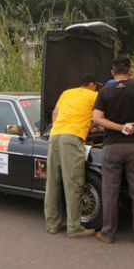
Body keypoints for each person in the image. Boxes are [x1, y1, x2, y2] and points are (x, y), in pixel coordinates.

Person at [92, 56, 134, 245]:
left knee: (110, 191)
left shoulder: (105, 91)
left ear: (112, 73)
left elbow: (97, 119)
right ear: (130, 72)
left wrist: (119, 127)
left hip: (112, 147)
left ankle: (108, 234)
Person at [44, 73, 101, 238]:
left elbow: (55, 113)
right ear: (92, 85)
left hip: (54, 137)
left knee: (53, 182)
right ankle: (74, 227)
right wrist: (88, 128)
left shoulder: (67, 93)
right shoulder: (94, 95)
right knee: (73, 182)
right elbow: (98, 118)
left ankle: (52, 224)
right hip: (72, 139)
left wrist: (61, 128)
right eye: (95, 85)